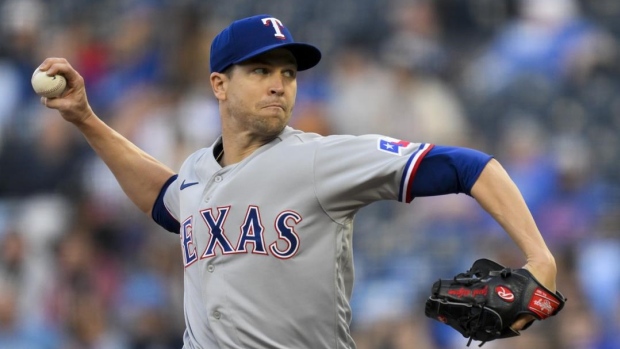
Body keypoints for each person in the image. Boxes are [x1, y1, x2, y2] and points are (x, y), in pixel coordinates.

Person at [38, 14, 558, 349]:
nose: (279, 85)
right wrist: (85, 117)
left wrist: (541, 257)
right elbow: (163, 197)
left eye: (287, 73)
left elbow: (470, 166)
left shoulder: (320, 160)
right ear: (219, 84)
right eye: (261, 71)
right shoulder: (198, 172)